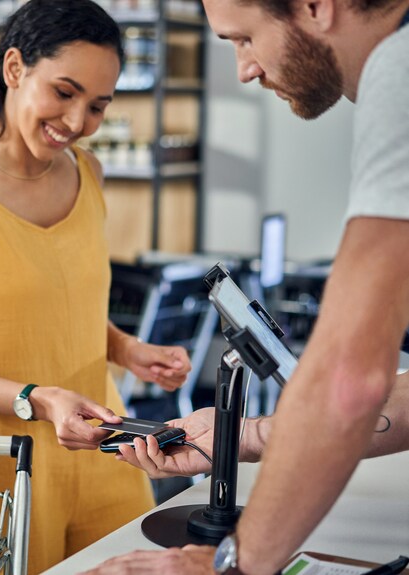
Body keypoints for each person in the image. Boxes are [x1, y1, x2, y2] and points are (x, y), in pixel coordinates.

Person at [78, 0, 409, 573]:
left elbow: (348, 383)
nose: (243, 70)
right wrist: (250, 434)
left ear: (314, 6)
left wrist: (229, 565)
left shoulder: (400, 73)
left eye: (244, 39)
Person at [0, 0, 192, 572]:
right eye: (64, 92)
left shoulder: (89, 173)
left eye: (98, 106)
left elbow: (65, 305)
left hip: (112, 450)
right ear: (14, 68)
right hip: (9, 465)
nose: (78, 122)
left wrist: (127, 349)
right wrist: (39, 399)